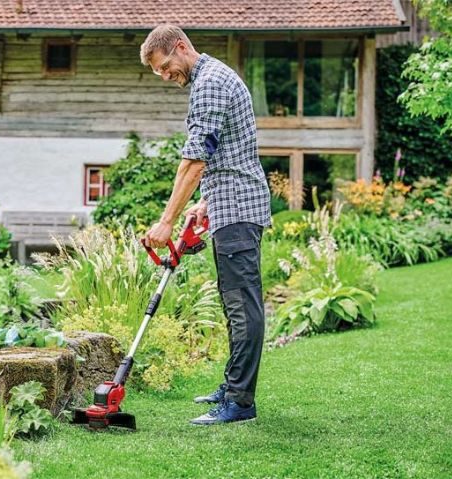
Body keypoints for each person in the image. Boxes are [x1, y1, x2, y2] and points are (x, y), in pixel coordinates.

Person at [140, 25, 271, 425]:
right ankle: (233, 386)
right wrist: (204, 202)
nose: (165, 76)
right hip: (227, 203)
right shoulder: (211, 77)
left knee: (242, 304)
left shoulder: (210, 83)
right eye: (158, 73)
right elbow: (227, 152)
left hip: (238, 208)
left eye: (165, 67)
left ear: (181, 47)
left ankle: (240, 403)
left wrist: (167, 221)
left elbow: (195, 160)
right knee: (234, 303)